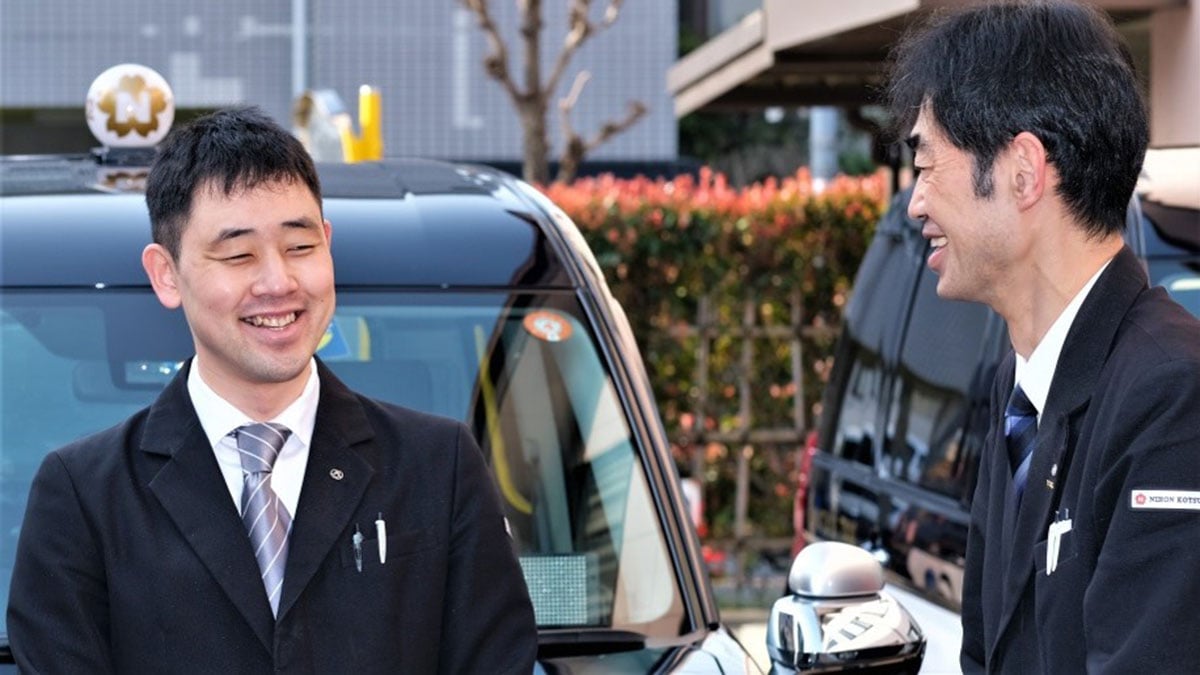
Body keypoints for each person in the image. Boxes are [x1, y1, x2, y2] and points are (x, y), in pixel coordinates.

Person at [7, 107, 538, 673]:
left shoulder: (439, 465)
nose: (278, 282)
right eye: (238, 254)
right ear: (166, 274)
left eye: (300, 247)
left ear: (327, 244)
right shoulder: (84, 495)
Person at [888, 2, 1200, 672]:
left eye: (928, 164)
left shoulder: (1172, 393)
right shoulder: (1021, 383)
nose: (915, 203)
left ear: (1024, 171)